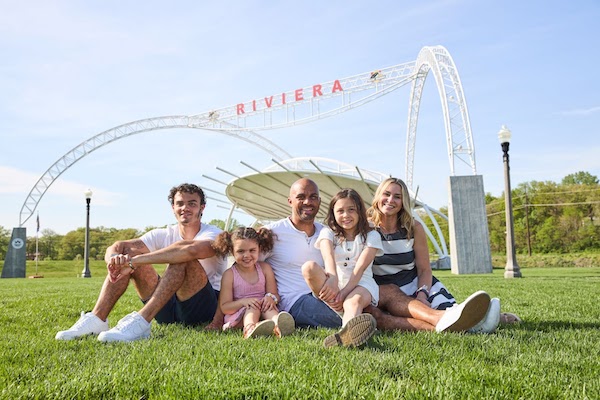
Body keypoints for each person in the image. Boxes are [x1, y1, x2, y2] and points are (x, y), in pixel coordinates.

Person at [55, 183, 227, 342]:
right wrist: (115, 259)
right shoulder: (164, 233)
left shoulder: (214, 234)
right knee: (126, 254)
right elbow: (118, 246)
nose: (185, 208)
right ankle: (97, 318)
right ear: (173, 207)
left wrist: (134, 262)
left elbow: (190, 250)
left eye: (192, 203)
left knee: (182, 259)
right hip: (168, 308)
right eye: (180, 203)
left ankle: (141, 322)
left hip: (202, 307)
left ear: (202, 207)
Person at [365, 177, 504, 333]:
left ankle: (483, 319)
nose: (390, 200)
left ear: (403, 202)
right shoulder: (366, 228)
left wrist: (422, 295)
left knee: (448, 311)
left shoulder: (414, 227)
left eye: (397, 197)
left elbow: (424, 269)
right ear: (378, 197)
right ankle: (475, 325)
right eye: (386, 194)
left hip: (415, 284)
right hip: (383, 289)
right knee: (398, 317)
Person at [302, 188, 382, 348]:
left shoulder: (372, 235)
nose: (346, 215)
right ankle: (354, 325)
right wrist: (332, 279)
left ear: (360, 211)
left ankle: (347, 336)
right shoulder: (328, 233)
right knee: (308, 267)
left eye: (351, 210)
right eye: (340, 211)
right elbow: (328, 258)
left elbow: (359, 269)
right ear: (333, 214)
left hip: (360, 284)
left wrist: (344, 294)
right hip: (334, 284)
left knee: (352, 303)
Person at [212, 226, 295, 339]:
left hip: (263, 311)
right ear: (232, 251)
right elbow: (225, 307)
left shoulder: (265, 269)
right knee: (253, 306)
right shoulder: (229, 275)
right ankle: (249, 329)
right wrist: (244, 302)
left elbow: (274, 294)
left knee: (267, 307)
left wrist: (271, 298)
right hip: (239, 317)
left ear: (259, 249)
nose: (247, 255)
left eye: (252, 250)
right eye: (241, 251)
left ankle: (278, 325)